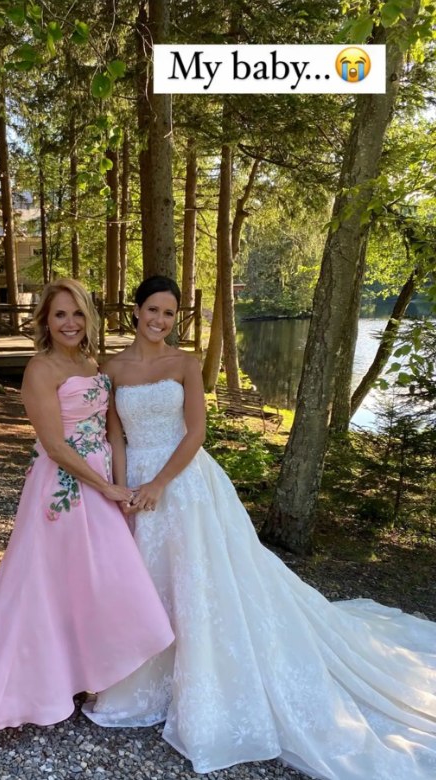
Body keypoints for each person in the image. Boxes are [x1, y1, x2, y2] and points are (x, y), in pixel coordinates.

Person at [84, 275, 436, 779]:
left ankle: (201, 682)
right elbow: (115, 436)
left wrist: (159, 483)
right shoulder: (112, 368)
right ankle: (141, 679)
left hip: (184, 483)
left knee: (199, 582)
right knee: (145, 581)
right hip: (135, 483)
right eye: (152, 310)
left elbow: (197, 433)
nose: (159, 321)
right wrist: (122, 492)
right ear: (135, 311)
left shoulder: (184, 364)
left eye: (169, 313)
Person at [0, 278, 174, 739]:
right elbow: (54, 445)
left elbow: (111, 429)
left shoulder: (91, 363)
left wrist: (118, 482)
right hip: (64, 486)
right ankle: (37, 683)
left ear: (88, 317)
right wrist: (107, 488)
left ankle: (89, 672)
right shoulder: (41, 368)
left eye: (77, 313)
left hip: (97, 476)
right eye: (60, 315)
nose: (70, 323)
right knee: (48, 580)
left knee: (95, 576)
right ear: (46, 321)